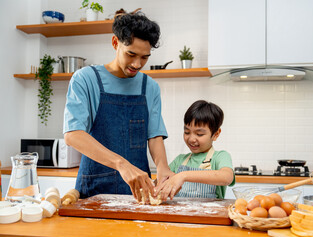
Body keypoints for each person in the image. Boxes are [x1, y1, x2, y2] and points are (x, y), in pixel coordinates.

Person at [63, 11, 172, 204]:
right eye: (131, 54)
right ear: (115, 43)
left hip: (139, 194)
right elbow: (73, 134)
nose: (137, 64)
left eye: (144, 57)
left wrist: (163, 168)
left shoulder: (150, 87)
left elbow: (154, 135)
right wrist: (121, 164)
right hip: (93, 192)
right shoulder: (85, 79)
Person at [155, 100, 235, 200]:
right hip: (180, 214)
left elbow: (226, 177)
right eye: (187, 132)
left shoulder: (220, 157)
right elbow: (162, 181)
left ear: (216, 134)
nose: (191, 139)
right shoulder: (179, 160)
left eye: (199, 134)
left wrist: (183, 176)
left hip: (209, 214)